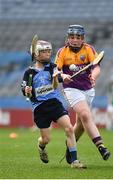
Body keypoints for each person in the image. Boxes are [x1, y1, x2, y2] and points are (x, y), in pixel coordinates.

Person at [21, 38, 86, 168]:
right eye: (44, 52)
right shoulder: (29, 73)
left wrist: (64, 77)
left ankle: (74, 161)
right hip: (40, 108)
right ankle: (41, 146)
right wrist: (27, 90)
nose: (48, 54)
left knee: (69, 128)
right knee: (46, 139)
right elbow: (26, 92)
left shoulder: (52, 67)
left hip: (55, 103)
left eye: (49, 51)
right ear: (36, 54)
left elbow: (59, 76)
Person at [55, 25, 111, 164]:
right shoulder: (62, 52)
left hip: (88, 89)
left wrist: (93, 76)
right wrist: (63, 76)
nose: (75, 40)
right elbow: (56, 72)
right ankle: (101, 146)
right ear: (68, 38)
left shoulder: (89, 49)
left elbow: (96, 66)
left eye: (78, 37)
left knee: (80, 124)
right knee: (86, 115)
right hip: (71, 89)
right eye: (72, 37)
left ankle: (70, 147)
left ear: (83, 38)